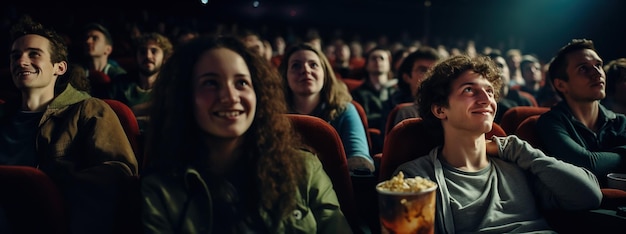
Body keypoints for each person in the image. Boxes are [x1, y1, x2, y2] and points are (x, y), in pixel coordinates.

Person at [141, 36, 352, 233]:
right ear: (184, 97)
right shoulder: (160, 190)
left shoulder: (305, 169)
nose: (230, 96)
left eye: (241, 83)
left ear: (258, 92)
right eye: (211, 83)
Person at [393, 55, 602, 233]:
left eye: (490, 91)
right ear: (440, 109)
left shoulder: (517, 162)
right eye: (469, 90)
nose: (486, 99)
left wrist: (516, 148)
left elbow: (589, 196)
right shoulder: (416, 178)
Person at [0, 15, 138, 233]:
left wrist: (48, 189)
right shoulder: (4, 114)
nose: (21, 61)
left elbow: (119, 172)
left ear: (60, 68)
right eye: (15, 56)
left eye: (34, 54)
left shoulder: (88, 109)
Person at [536, 39, 626, 187]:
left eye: (598, 65)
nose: (597, 74)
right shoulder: (550, 122)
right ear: (561, 85)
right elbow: (587, 164)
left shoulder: (620, 121)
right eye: (583, 69)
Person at [278, 43, 375, 173]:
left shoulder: (344, 110)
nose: (305, 70)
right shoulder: (273, 112)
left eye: (313, 65)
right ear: (285, 76)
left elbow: (359, 157)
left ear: (325, 74)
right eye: (296, 65)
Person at [107, 32, 173, 132]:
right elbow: (108, 116)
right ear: (136, 56)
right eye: (142, 51)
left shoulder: (171, 86)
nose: (148, 56)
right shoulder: (119, 83)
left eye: (154, 51)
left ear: (164, 58)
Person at [351, 46, 397, 154]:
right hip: (368, 141)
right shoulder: (357, 93)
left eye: (382, 58)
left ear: (389, 64)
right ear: (367, 65)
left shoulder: (397, 92)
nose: (377, 61)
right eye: (373, 58)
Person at [386, 46, 442, 128]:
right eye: (423, 70)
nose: (430, 75)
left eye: (434, 70)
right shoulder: (393, 105)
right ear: (406, 77)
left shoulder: (447, 104)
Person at [487, 51, 534, 124]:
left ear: (508, 70)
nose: (498, 70)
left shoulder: (524, 101)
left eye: (501, 65)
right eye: (493, 67)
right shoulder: (485, 104)